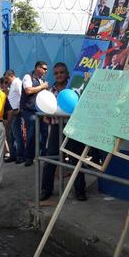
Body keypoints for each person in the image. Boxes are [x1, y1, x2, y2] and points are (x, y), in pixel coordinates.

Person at [40, 63, 87, 201]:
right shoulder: (50, 91)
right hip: (56, 128)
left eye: (62, 72)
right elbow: (47, 111)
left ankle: (80, 191)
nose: (59, 75)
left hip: (73, 128)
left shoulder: (74, 88)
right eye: (56, 73)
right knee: (51, 159)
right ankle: (46, 190)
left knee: (76, 159)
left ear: (67, 74)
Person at [20, 61, 49, 167]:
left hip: (41, 111)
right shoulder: (28, 77)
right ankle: (28, 157)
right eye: (44, 68)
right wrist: (42, 87)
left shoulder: (42, 80)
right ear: (37, 68)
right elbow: (28, 90)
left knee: (44, 133)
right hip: (29, 111)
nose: (46, 71)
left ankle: (42, 155)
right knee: (31, 134)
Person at [3, 70, 24, 164]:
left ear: (11, 75)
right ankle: (13, 155)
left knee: (17, 135)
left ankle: (20, 156)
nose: (6, 80)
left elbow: (22, 95)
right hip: (11, 112)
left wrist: (19, 108)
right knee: (11, 135)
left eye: (7, 78)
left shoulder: (18, 83)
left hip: (16, 112)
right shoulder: (12, 84)